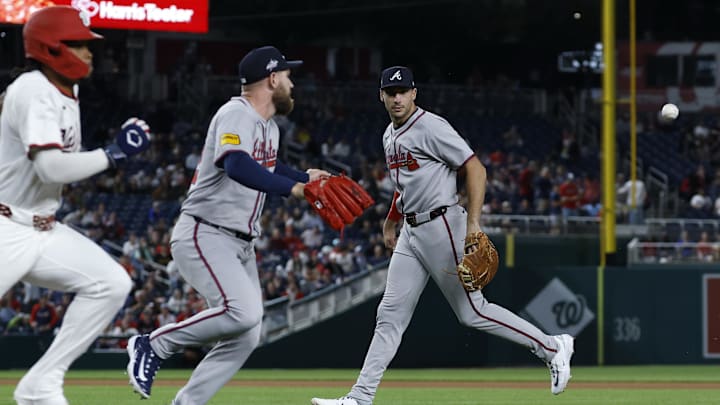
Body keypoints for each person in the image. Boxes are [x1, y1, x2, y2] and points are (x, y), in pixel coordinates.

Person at [311, 66, 574, 405]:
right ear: (381, 96)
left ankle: (552, 346)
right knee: (389, 316)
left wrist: (474, 224)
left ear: (414, 93)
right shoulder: (388, 135)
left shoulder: (431, 126)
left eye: (403, 91)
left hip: (442, 225)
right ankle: (360, 398)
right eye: (390, 92)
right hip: (411, 231)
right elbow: (405, 184)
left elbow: (475, 168)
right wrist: (392, 220)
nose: (397, 97)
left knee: (472, 312)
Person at [126, 45, 331, 404]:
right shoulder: (236, 112)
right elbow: (235, 164)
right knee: (243, 312)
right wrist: (295, 188)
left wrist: (303, 176)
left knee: (248, 332)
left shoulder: (268, 127)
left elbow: (266, 167)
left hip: (238, 242)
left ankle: (188, 402)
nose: (291, 82)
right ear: (271, 78)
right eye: (287, 74)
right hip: (205, 231)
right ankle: (153, 344)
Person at [0, 6, 151, 405]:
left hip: (42, 229)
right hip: (5, 227)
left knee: (111, 283)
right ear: (52, 48)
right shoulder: (34, 89)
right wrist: (114, 153)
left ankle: (41, 384)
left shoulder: (68, 90)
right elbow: (50, 167)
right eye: (80, 44)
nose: (89, 52)